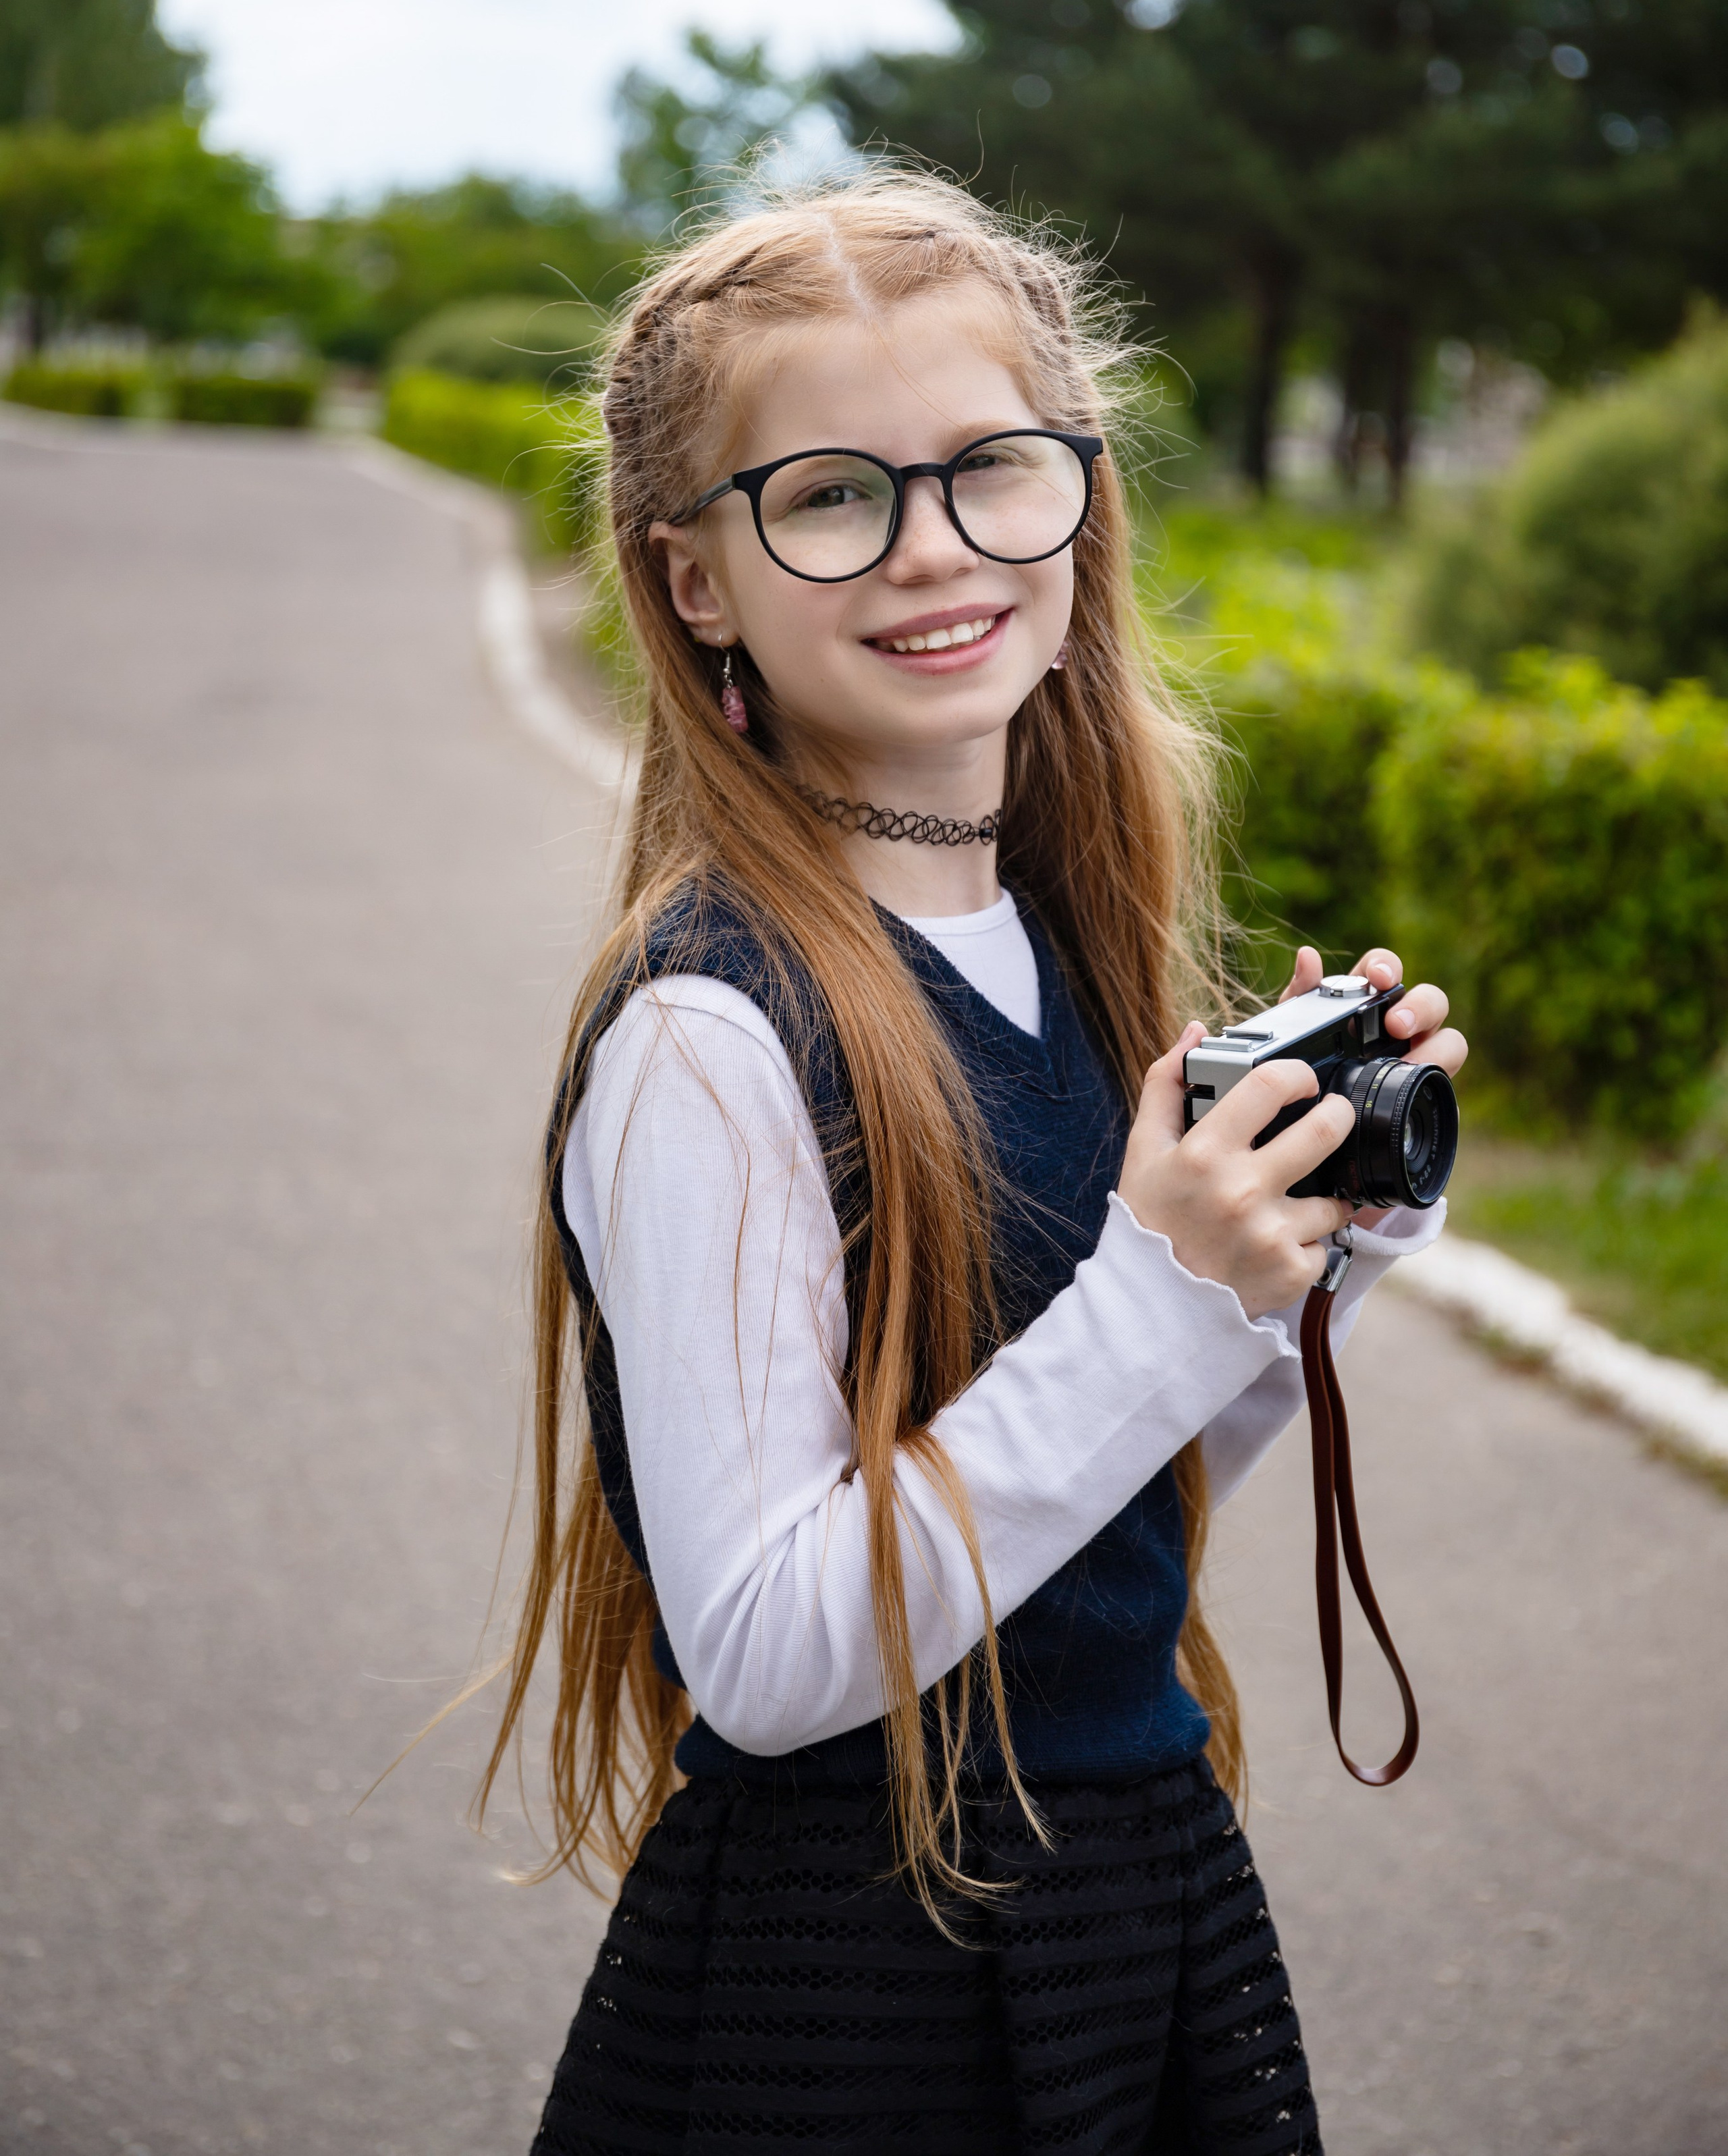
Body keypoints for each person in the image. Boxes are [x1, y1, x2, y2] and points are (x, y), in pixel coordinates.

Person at [483, 173, 1465, 2154]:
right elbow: (766, 1658)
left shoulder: (1075, 950)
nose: (936, 549)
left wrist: (1297, 1269)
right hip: (854, 1984)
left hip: (1133, 1899)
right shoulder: (709, 1030)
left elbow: (1092, 1509)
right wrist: (1163, 1296)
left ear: (1080, 496)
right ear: (694, 578)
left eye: (993, 470)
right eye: (832, 495)